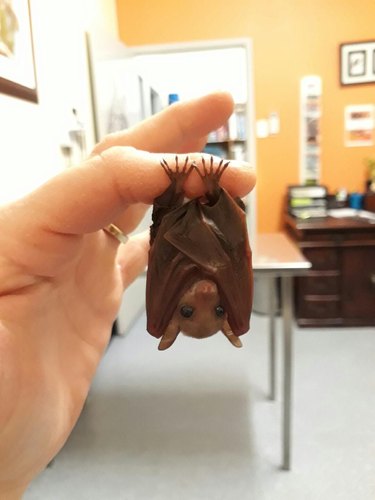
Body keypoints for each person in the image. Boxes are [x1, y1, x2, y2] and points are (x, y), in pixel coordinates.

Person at [0, 91, 256, 498]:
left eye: (190, 309)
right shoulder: (229, 279)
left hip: (177, 228)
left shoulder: (167, 287)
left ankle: (173, 201)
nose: (206, 294)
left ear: (172, 311)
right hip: (216, 226)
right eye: (218, 307)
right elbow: (231, 256)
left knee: (169, 228)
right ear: (231, 311)